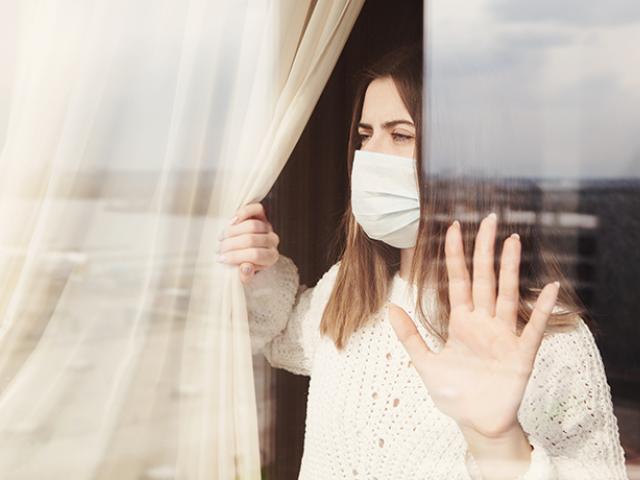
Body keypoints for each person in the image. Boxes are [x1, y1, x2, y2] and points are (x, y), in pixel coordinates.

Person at [216, 44, 628, 479]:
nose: (370, 155)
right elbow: (280, 334)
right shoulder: (349, 292)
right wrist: (258, 266)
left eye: (401, 135)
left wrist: (499, 443)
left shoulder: (549, 338)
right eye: (365, 135)